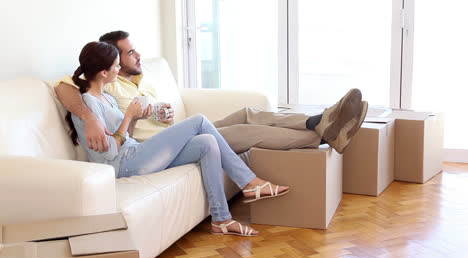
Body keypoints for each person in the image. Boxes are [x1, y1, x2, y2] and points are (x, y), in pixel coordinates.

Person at [68, 41, 291, 237]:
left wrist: (136, 118)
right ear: (103, 73)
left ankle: (221, 219)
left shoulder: (107, 97)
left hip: (134, 153)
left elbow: (126, 138)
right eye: (116, 65)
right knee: (200, 121)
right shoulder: (88, 103)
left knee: (207, 142)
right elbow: (109, 152)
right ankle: (250, 183)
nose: (119, 69)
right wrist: (128, 117)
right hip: (122, 165)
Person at [55, 31, 368, 156]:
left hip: (180, 128)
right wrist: (90, 119)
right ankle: (325, 135)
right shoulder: (100, 86)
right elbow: (62, 88)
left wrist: (160, 110)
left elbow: (156, 111)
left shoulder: (139, 78)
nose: (138, 55)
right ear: (110, 64)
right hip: (160, 145)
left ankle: (321, 118)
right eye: (129, 53)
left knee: (247, 112)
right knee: (245, 131)